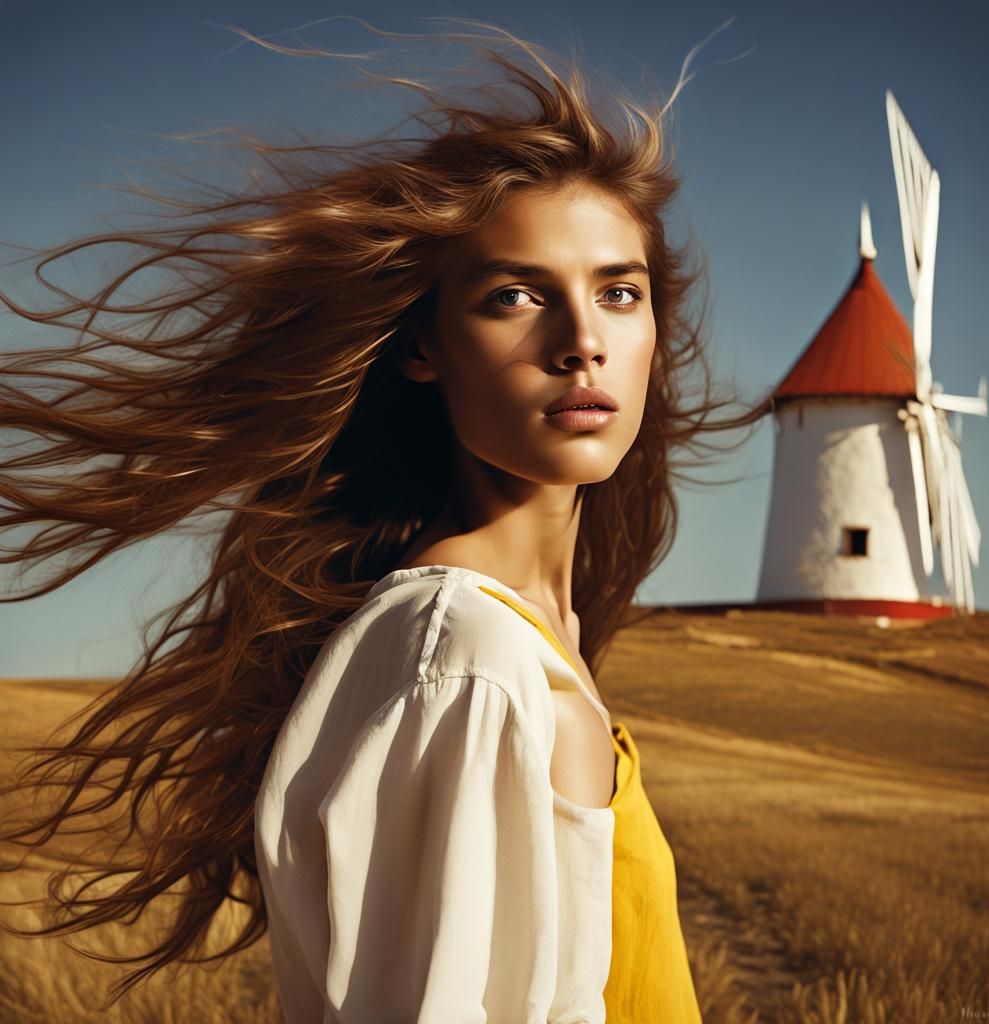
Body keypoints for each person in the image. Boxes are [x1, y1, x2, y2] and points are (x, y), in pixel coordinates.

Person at [0, 21, 762, 1022]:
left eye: (619, 292)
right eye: (515, 296)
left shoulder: (524, 636)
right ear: (422, 348)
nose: (583, 340)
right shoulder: (466, 657)